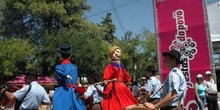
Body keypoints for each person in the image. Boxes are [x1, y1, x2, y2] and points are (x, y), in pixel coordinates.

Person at [101, 45, 138, 110]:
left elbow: (126, 76)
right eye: (117, 52)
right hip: (113, 87)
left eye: (120, 52)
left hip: (121, 86)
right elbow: (106, 75)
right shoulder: (110, 65)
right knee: (115, 104)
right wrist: (105, 80)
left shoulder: (122, 66)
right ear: (112, 54)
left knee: (127, 103)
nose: (119, 54)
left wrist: (129, 82)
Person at [53, 44, 85, 110]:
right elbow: (75, 80)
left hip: (62, 92)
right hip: (74, 92)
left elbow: (61, 75)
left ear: (60, 55)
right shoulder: (74, 67)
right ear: (70, 55)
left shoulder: (58, 67)